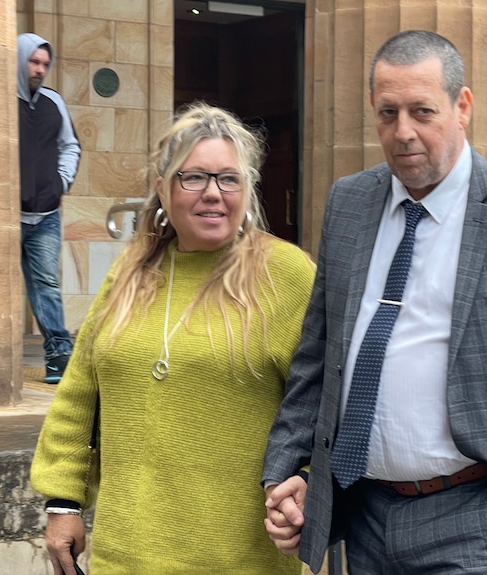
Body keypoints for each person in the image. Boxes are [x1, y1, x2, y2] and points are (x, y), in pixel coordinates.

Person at [262, 30, 487, 574]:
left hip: (480, 517)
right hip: (366, 515)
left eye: (422, 111)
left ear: (462, 106)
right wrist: (284, 466)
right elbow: (319, 353)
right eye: (387, 112)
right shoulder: (350, 202)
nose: (403, 132)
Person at [30, 103, 316, 574]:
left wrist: (305, 481)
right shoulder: (130, 271)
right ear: (162, 187)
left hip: (239, 558)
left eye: (229, 179)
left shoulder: (285, 274)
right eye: (194, 177)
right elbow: (79, 392)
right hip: (124, 553)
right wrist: (63, 501)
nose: (213, 194)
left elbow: (326, 404)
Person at [17, 33, 81, 383]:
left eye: (45, 63)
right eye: (34, 61)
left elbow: (70, 145)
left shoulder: (53, 102)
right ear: (19, 59)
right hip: (3, 214)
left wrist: (61, 183)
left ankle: (58, 356)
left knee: (47, 285)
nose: (40, 69)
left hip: (45, 215)